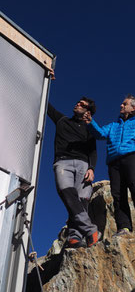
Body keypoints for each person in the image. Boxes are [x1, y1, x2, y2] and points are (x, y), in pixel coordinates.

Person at [84, 94, 135, 236]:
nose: (121, 106)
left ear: (133, 108)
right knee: (118, 195)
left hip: (131, 158)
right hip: (114, 163)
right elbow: (100, 134)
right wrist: (91, 122)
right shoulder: (113, 126)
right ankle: (124, 227)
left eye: (124, 104)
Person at [47, 97, 100, 248]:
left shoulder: (89, 129)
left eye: (82, 104)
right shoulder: (62, 120)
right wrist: (46, 76)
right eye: (78, 102)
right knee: (67, 193)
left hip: (84, 165)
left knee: (82, 201)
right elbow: (45, 104)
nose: (77, 104)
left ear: (88, 111)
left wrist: (92, 168)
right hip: (63, 162)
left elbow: (93, 151)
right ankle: (90, 229)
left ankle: (74, 236)